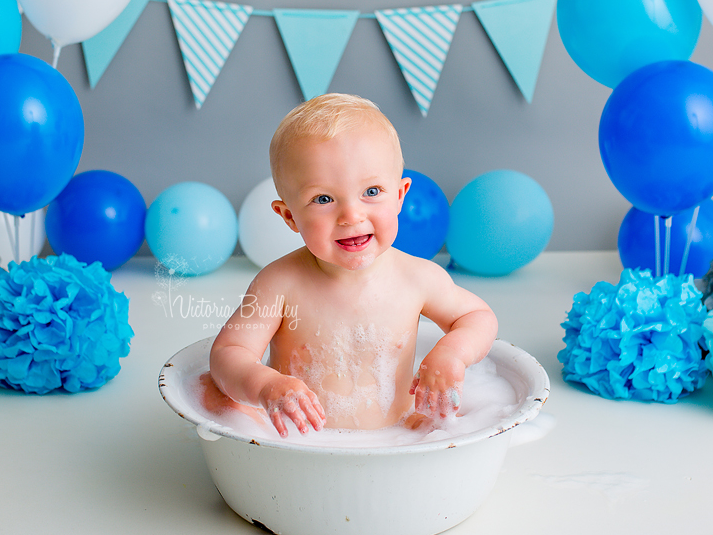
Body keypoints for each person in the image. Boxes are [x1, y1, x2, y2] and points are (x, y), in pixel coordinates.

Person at [207, 93, 498, 437]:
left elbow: (477, 317)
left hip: (398, 440)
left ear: (401, 195)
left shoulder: (416, 278)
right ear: (289, 216)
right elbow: (228, 354)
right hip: (298, 445)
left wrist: (450, 354)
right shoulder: (279, 284)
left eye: (372, 191)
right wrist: (265, 385)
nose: (351, 216)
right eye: (324, 199)